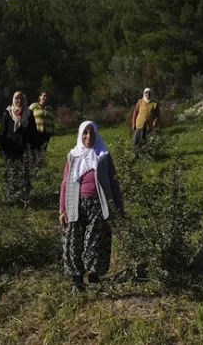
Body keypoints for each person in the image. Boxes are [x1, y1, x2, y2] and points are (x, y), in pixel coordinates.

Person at [59, 121, 124, 292]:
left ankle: (94, 276)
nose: (89, 137)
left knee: (94, 242)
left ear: (97, 135)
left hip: (98, 204)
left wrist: (119, 208)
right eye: (85, 133)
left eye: (92, 133)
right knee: (74, 242)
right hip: (76, 204)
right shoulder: (73, 156)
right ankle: (77, 280)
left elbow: (114, 182)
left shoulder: (103, 156)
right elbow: (65, 184)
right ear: (80, 135)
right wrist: (62, 209)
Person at [0, 91, 38, 202]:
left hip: (24, 149)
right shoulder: (7, 113)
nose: (18, 101)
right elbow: (2, 131)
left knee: (24, 173)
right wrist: (1, 147)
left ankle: (23, 197)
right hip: (9, 149)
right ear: (13, 99)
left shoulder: (29, 113)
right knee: (10, 172)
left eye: (21, 99)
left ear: (24, 100)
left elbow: (33, 132)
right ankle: (10, 197)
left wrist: (33, 148)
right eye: (16, 98)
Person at [130, 88, 160, 154]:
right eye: (146, 93)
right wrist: (133, 123)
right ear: (144, 94)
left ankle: (146, 154)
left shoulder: (155, 104)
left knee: (147, 140)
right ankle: (135, 154)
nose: (147, 94)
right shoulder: (140, 102)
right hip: (139, 125)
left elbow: (158, 115)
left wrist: (155, 122)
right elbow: (135, 112)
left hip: (149, 126)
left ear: (151, 94)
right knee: (136, 140)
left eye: (149, 93)